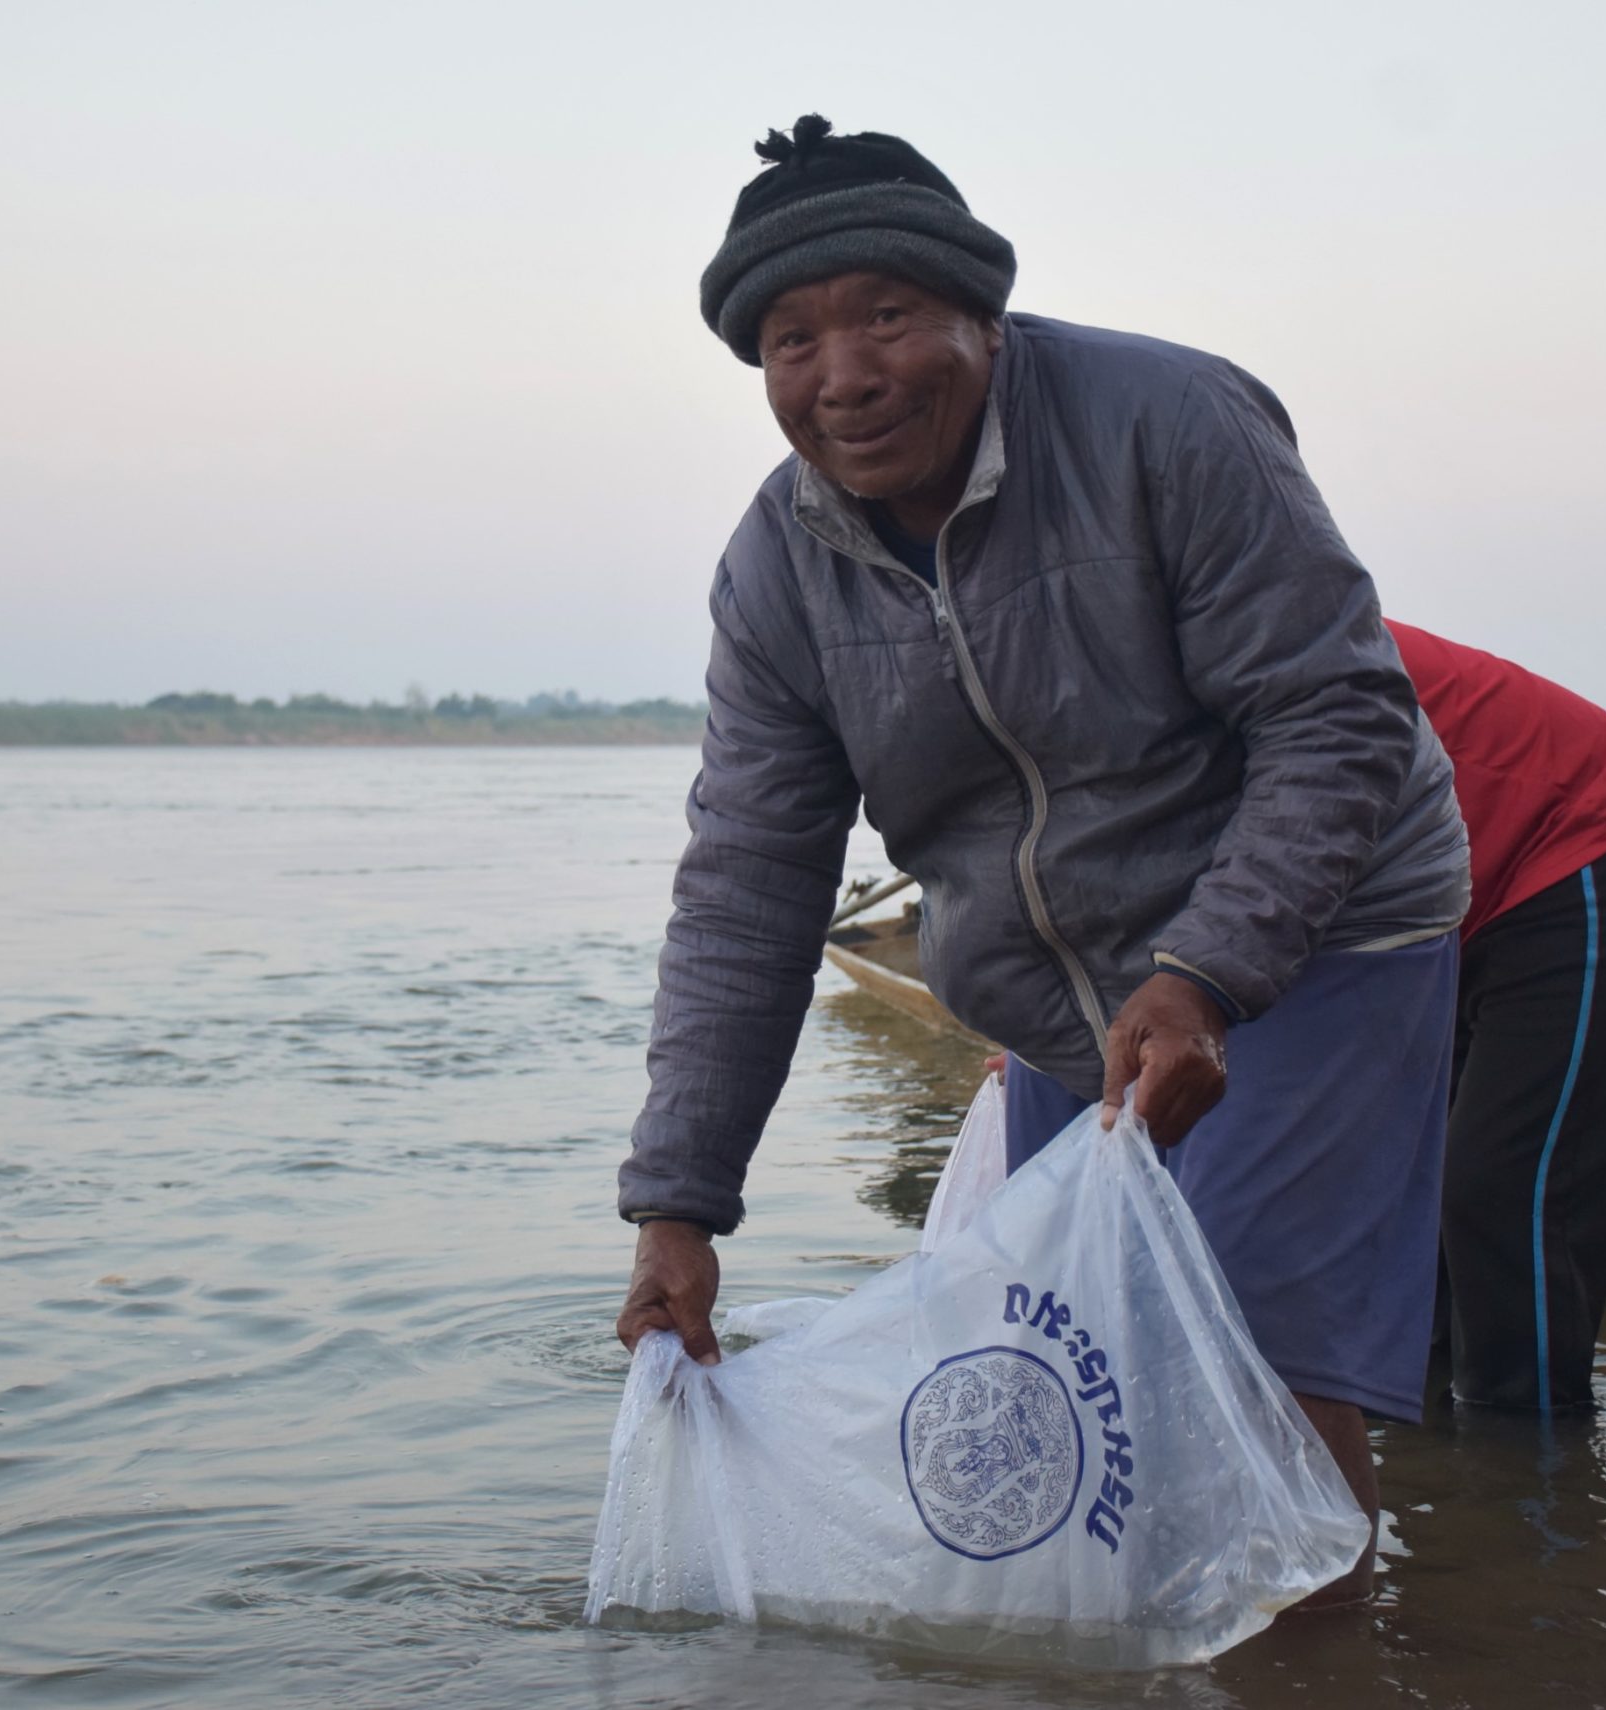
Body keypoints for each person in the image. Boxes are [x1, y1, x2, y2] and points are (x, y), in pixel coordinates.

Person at [611, 115, 1470, 1608]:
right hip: (1067, 996)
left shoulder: (1170, 421)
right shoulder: (775, 572)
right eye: (793, 338)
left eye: (887, 313)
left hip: (1316, 937)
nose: (846, 373)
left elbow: (1337, 713)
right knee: (1099, 1367)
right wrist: (678, 1206)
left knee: (1260, 1357)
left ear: (981, 316)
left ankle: (1319, 1656)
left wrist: (1208, 973)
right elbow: (749, 887)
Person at [1387, 621, 1606, 1415]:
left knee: (1500, 1195)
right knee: (1418, 1196)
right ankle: (1440, 1479)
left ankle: (1529, 1497)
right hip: (1459, 898)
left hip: (1593, 847)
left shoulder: (1259, 632)